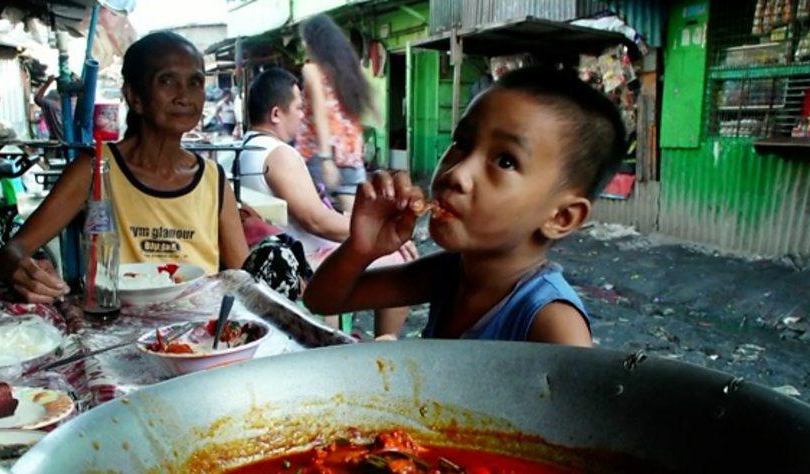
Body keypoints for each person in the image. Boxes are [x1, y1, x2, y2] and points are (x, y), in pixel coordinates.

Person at [304, 67, 627, 346]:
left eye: (505, 161)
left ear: (561, 216)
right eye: (462, 143)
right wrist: (362, 249)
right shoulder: (449, 273)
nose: (457, 173)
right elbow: (321, 299)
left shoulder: (551, 321)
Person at [0, 31, 249, 303]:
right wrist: (21, 270)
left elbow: (243, 278)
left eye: (195, 83)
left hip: (197, 335)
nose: (184, 96)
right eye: (167, 81)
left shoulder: (212, 179)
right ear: (134, 96)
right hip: (116, 328)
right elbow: (13, 249)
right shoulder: (96, 168)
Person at [239, 68, 414, 338]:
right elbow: (316, 220)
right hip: (302, 259)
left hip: (278, 250)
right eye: (298, 108)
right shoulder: (278, 153)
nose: (302, 115)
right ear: (276, 114)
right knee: (400, 263)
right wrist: (381, 230)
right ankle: (385, 346)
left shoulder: (244, 149)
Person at [296, 14, 374, 215]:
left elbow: (320, 113)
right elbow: (353, 114)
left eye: (304, 39)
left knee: (320, 220)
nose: (303, 44)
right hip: (350, 153)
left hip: (318, 154)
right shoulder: (348, 70)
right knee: (355, 222)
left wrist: (325, 158)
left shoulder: (312, 70)